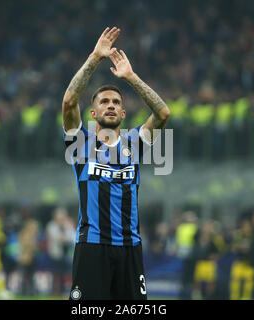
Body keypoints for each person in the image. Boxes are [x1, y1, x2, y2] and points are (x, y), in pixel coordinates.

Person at [62, 26, 170, 300]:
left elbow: (162, 113)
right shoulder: (81, 144)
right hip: (92, 248)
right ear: (94, 112)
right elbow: (68, 101)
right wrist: (95, 58)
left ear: (122, 113)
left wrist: (131, 77)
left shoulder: (135, 144)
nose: (110, 105)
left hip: (130, 249)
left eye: (115, 102)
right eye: (104, 102)